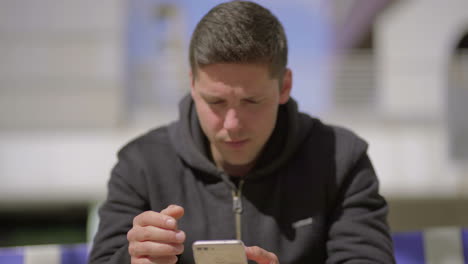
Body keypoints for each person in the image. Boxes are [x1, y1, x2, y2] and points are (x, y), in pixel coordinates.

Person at [89, 1, 395, 263]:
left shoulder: (341, 159)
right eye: (216, 102)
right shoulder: (141, 163)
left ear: (284, 86)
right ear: (193, 85)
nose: (232, 123)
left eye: (252, 101)